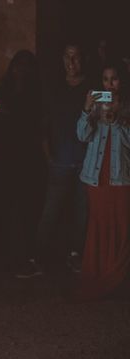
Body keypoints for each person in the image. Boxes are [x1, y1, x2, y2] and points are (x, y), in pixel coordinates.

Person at [17, 42, 91, 278]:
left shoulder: (92, 88)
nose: (72, 63)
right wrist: (48, 156)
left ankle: (75, 254)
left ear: (82, 59)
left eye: (76, 57)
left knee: (82, 212)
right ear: (62, 60)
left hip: (85, 163)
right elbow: (44, 125)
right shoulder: (55, 89)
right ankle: (37, 258)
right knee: (50, 212)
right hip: (59, 161)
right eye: (68, 57)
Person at [74, 62, 130, 301]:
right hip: (95, 178)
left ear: (121, 82)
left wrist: (117, 118)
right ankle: (96, 277)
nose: (110, 84)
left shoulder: (127, 108)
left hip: (120, 179)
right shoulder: (95, 107)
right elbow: (82, 135)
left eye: (114, 79)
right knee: (98, 226)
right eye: (106, 80)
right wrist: (88, 110)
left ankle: (116, 279)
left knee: (121, 227)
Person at [0, 50, 45, 271]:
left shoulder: (37, 93)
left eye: (25, 67)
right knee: (3, 206)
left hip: (28, 157)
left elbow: (34, 125)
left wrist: (10, 115)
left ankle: (27, 255)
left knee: (27, 209)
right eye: (17, 66)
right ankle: (2, 254)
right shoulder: (4, 90)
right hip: (5, 156)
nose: (20, 71)